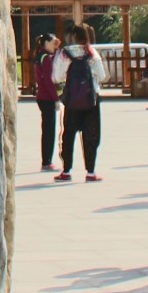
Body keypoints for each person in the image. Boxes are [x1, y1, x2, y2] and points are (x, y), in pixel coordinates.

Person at [54, 22, 104, 182]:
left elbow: (56, 77)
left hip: (72, 101)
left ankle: (66, 170)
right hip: (91, 100)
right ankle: (90, 172)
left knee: (68, 135)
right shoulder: (92, 52)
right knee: (91, 135)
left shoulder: (64, 53)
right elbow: (102, 76)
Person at [33, 33, 60, 171]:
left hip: (41, 96)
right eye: (53, 42)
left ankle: (46, 159)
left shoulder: (40, 56)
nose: (55, 44)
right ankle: (47, 161)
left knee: (46, 129)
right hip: (47, 97)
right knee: (49, 131)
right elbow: (49, 81)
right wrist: (56, 98)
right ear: (46, 43)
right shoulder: (47, 59)